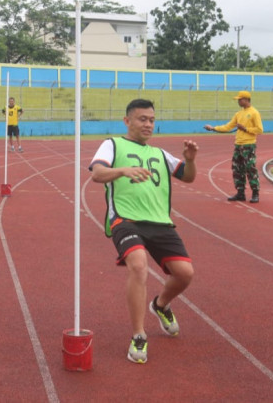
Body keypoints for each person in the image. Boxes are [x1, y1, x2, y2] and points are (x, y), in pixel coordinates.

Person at [89, 99, 198, 364]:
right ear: (127, 121)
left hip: (159, 221)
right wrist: (123, 170)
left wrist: (190, 160)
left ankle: (159, 305)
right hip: (125, 219)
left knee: (185, 274)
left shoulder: (161, 154)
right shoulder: (112, 144)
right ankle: (139, 335)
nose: (148, 124)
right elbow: (98, 174)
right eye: (142, 119)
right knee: (138, 265)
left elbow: (188, 177)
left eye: (151, 119)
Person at [204, 90, 264, 203]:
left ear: (246, 100)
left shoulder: (254, 113)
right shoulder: (238, 114)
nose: (238, 101)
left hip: (249, 145)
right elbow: (228, 127)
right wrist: (213, 128)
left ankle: (255, 193)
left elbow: (260, 130)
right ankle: (240, 192)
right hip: (238, 145)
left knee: (250, 169)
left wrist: (245, 129)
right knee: (237, 169)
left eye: (240, 99)